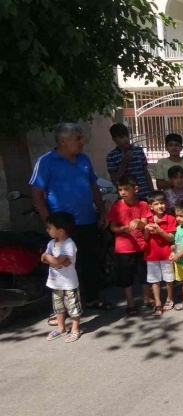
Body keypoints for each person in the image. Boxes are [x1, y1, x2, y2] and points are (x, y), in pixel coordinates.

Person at [31, 123, 111, 315]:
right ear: (64, 140)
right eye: (78, 138)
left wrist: (101, 211)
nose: (82, 142)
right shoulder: (46, 161)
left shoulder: (84, 159)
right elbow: (37, 195)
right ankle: (61, 310)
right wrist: (49, 224)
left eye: (81, 137)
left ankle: (92, 298)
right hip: (63, 226)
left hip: (87, 220)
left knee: (90, 262)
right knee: (63, 266)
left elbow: (94, 186)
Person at [106, 174, 152, 316]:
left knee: (144, 274)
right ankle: (130, 301)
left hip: (141, 246)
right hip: (124, 248)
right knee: (126, 276)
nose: (123, 192)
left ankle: (147, 297)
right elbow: (112, 227)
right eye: (120, 190)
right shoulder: (116, 206)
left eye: (126, 189)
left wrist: (138, 222)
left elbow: (145, 225)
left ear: (135, 189)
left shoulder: (143, 205)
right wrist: (121, 229)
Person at [42, 212, 83, 343]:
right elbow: (44, 258)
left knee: (73, 307)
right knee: (58, 307)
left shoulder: (69, 244)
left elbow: (52, 260)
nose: (47, 230)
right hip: (55, 283)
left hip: (68, 283)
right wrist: (52, 259)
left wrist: (50, 258)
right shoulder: (51, 243)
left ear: (60, 230)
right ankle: (61, 328)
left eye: (50, 227)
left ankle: (75, 329)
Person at [143, 191, 177, 316]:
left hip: (166, 254)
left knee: (169, 278)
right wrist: (146, 229)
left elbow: (171, 238)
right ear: (150, 206)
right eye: (156, 204)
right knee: (154, 280)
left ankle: (169, 298)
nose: (160, 206)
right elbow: (145, 238)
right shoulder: (147, 219)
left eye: (162, 203)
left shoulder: (171, 218)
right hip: (151, 255)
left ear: (166, 204)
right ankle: (158, 302)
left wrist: (160, 231)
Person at [106, 122, 153, 201]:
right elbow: (115, 181)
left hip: (144, 194)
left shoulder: (138, 151)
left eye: (127, 136)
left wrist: (152, 191)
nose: (125, 139)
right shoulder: (111, 156)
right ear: (114, 139)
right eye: (121, 137)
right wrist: (124, 162)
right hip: (127, 198)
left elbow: (146, 172)